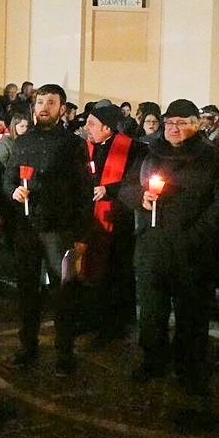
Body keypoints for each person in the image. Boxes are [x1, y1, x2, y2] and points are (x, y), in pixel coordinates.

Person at [120, 99, 219, 397]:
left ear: (197, 126)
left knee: (192, 312)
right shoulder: (150, 153)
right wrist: (140, 198)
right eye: (169, 122)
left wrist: (197, 234)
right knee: (151, 309)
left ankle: (189, 366)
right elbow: (127, 188)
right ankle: (153, 358)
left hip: (193, 248)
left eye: (181, 123)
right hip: (153, 245)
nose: (173, 128)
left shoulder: (214, 160)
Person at [3, 85, 92, 376]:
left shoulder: (72, 144)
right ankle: (27, 346)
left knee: (63, 292)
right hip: (27, 229)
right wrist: (14, 191)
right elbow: (8, 179)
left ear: (61, 108)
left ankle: (64, 352)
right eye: (40, 101)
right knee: (28, 290)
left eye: (51, 103)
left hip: (59, 230)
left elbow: (83, 191)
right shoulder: (23, 141)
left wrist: (81, 236)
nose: (44, 107)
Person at [81, 103, 145, 343]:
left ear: (107, 128)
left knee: (115, 274)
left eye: (92, 124)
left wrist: (108, 189)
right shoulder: (84, 147)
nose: (87, 128)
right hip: (90, 219)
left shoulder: (134, 149)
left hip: (119, 221)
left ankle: (114, 324)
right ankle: (93, 317)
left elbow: (138, 181)